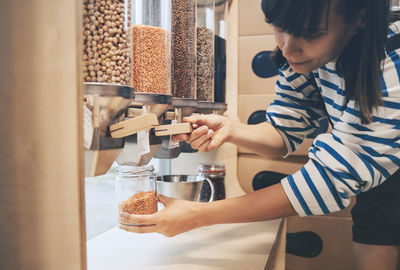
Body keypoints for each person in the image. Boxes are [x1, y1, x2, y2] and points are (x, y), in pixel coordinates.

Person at [120, 0, 400, 269]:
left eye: (311, 34)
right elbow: (285, 129)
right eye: (278, 27)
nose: (289, 49)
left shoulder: (392, 66)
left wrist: (197, 215)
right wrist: (233, 130)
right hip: (376, 179)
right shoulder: (306, 50)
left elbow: (329, 180)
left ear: (359, 17)